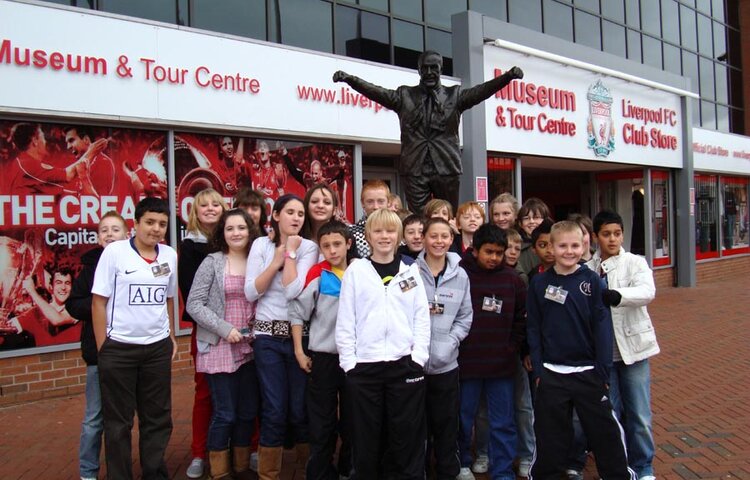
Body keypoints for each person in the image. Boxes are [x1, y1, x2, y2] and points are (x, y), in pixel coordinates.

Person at [333, 52, 523, 214]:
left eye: (434, 68)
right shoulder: (405, 95)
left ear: (441, 69)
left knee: (447, 216)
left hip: (446, 166)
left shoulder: (454, 95)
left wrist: (507, 77)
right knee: (419, 220)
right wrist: (351, 80)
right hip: (414, 167)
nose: (430, 72)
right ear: (419, 70)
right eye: (425, 68)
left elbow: (481, 91)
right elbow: (377, 92)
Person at [526, 221, 634, 480]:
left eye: (575, 245)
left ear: (584, 245)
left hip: (588, 372)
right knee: (550, 434)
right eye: (562, 245)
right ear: (551, 247)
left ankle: (618, 474)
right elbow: (534, 328)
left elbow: (602, 327)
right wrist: (539, 369)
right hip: (552, 373)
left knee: (604, 431)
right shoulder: (539, 283)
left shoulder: (593, 281)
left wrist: (602, 370)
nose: (569, 251)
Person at [336, 208, 431, 480]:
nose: (384, 236)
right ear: (368, 235)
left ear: (399, 236)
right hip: (365, 368)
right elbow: (346, 320)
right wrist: (350, 364)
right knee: (366, 438)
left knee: (406, 437)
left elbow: (421, 318)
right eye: (378, 231)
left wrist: (418, 357)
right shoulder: (357, 271)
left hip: (405, 366)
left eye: (390, 231)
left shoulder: (410, 272)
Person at [91, 197, 178, 480]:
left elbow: (168, 299)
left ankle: (154, 473)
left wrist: (171, 336)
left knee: (158, 419)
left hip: (156, 349)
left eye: (162, 224)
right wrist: (104, 347)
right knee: (118, 424)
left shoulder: (169, 256)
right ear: (136, 224)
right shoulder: (115, 253)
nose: (156, 229)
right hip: (119, 350)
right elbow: (98, 301)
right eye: (150, 222)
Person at [244, 194, 318, 479]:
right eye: (290, 212)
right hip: (267, 338)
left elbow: (292, 290)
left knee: (299, 409)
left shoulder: (309, 247)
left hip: (299, 338)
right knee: (274, 409)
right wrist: (276, 260)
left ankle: (308, 468)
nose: (297, 217)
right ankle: (269, 474)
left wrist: (291, 253)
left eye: (301, 213)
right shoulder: (260, 246)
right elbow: (251, 292)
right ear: (275, 215)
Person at [186, 209, 261, 479]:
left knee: (247, 411)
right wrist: (224, 328)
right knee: (226, 412)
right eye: (230, 228)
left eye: (241, 228)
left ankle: (241, 467)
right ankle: (219, 471)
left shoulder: (256, 260)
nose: (236, 233)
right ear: (223, 233)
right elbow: (193, 304)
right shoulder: (213, 262)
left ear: (250, 231)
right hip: (219, 345)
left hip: (250, 346)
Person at [587, 209, 660, 480]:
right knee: (612, 414)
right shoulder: (588, 268)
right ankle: (619, 466)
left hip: (634, 351)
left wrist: (616, 295)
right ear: (595, 237)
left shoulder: (635, 262)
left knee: (639, 414)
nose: (613, 239)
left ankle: (644, 467)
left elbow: (646, 292)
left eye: (617, 233)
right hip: (605, 356)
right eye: (606, 234)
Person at [457, 224, 527, 480]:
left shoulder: (512, 280)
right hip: (467, 362)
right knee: (464, 418)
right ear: (474, 250)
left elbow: (521, 319)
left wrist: (512, 348)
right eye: (489, 252)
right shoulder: (460, 274)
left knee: (502, 421)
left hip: (501, 364)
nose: (494, 258)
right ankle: (462, 461)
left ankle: (503, 470)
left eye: (499, 252)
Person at [66, 211, 128, 480]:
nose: (110, 234)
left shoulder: (134, 264)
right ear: (98, 237)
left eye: (116, 229)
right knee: (94, 418)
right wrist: (99, 304)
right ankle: (88, 472)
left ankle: (120, 469)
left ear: (127, 235)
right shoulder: (90, 268)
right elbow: (73, 304)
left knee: (123, 418)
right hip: (98, 353)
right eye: (104, 230)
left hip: (130, 351)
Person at [289, 220, 354, 480]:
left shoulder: (361, 272)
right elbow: (297, 313)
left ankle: (348, 468)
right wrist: (299, 351)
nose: (333, 250)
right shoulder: (318, 273)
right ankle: (320, 472)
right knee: (322, 420)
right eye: (326, 246)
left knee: (352, 419)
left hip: (354, 360)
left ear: (348, 244)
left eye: (337, 244)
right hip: (324, 358)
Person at [416, 218, 473, 480]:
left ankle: (448, 472)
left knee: (446, 424)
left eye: (444, 237)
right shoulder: (410, 271)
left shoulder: (460, 275)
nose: (439, 241)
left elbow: (465, 316)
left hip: (447, 365)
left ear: (452, 240)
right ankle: (421, 471)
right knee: (417, 426)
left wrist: (451, 342)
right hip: (414, 364)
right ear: (424, 238)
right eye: (433, 236)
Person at [179, 188, 228, 479]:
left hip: (236, 326)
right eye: (203, 205)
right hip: (207, 328)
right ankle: (199, 452)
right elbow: (192, 295)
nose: (210, 209)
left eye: (215, 205)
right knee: (205, 391)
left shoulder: (233, 242)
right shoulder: (190, 248)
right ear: (195, 212)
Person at [7, 122, 93, 195]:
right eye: (43, 137)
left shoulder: (23, 163)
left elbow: (50, 191)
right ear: (35, 141)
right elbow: (68, 174)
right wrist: (93, 150)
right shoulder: (27, 165)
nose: (45, 141)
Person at [15, 267, 80, 347]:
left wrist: (32, 291)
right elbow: (7, 327)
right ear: (51, 287)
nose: (63, 288)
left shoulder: (77, 308)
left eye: (67, 283)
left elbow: (57, 319)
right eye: (58, 283)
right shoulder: (36, 312)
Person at [63, 126, 116, 196]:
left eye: (71, 140)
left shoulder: (103, 162)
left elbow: (99, 202)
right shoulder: (83, 164)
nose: (68, 146)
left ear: (86, 140)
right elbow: (81, 194)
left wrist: (83, 177)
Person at [349, 180, 390, 259]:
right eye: (370, 202)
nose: (375, 207)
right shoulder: (351, 232)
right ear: (362, 203)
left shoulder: (398, 230)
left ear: (388, 202)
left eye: (380, 201)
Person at [515, 198, 552, 277]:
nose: (531, 221)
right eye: (526, 218)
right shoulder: (516, 247)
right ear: (520, 223)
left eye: (536, 217)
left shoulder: (557, 244)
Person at [527, 219, 555, 283]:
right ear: (534, 249)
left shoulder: (572, 272)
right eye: (542, 245)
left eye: (553, 245)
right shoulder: (532, 276)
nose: (549, 250)